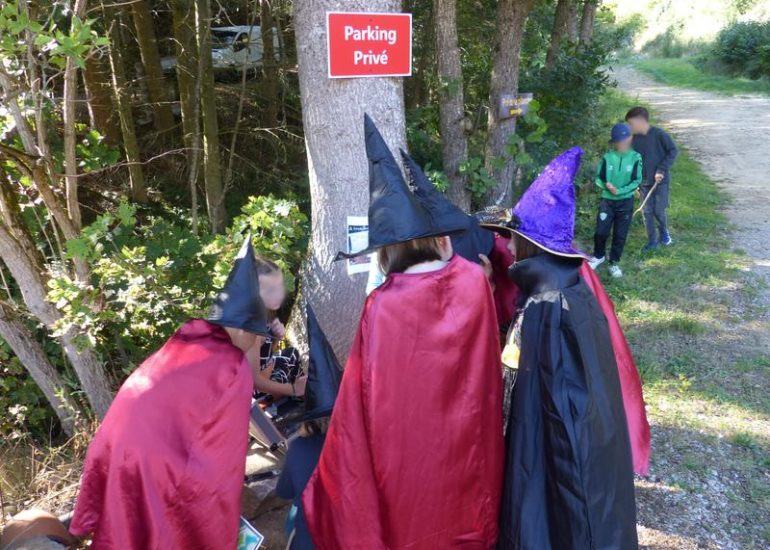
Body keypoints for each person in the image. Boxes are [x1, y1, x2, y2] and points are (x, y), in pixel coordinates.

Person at [302, 115, 504, 549]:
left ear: (388, 251)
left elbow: (365, 388)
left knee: (416, 514)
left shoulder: (385, 304)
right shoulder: (471, 278)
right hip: (471, 433)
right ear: (434, 238)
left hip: (411, 445)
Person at [481, 147, 638, 550]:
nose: (509, 250)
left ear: (532, 245)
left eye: (514, 240)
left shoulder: (548, 308)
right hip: (579, 466)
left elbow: (565, 423)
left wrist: (574, 507)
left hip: (555, 473)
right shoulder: (570, 290)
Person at [69, 237, 270, 549]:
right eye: (256, 337)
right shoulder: (232, 365)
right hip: (153, 459)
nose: (254, 344)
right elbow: (224, 457)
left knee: (123, 527)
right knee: (168, 522)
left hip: (115, 442)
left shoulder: (186, 339)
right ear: (243, 329)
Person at [276, 305, 342, 550]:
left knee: (295, 514)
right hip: (360, 536)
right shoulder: (368, 444)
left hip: (310, 542)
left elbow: (285, 492)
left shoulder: (299, 448)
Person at [589, 122, 643, 278]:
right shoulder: (608, 157)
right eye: (618, 142)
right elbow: (599, 177)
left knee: (620, 234)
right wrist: (606, 185)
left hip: (625, 201)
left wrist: (619, 191)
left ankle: (614, 263)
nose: (621, 144)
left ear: (630, 139)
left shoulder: (635, 158)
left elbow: (636, 181)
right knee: (600, 232)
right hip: (607, 200)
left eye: (623, 141)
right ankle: (598, 256)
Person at [247, 257, 306, 398]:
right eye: (271, 290)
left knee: (292, 354)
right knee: (302, 385)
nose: (279, 294)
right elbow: (255, 382)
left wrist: (276, 338)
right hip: (257, 391)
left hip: (267, 372)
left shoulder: (262, 314)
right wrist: (293, 389)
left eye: (280, 286)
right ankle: (279, 410)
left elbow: (264, 356)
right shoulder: (251, 328)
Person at [625, 106, 678, 251]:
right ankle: (652, 241)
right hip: (643, 183)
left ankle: (663, 233)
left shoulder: (659, 134)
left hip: (660, 182)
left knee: (658, 211)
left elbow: (673, 151)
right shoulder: (633, 140)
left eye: (631, 123)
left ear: (640, 121)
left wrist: (661, 169)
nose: (630, 127)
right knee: (646, 212)